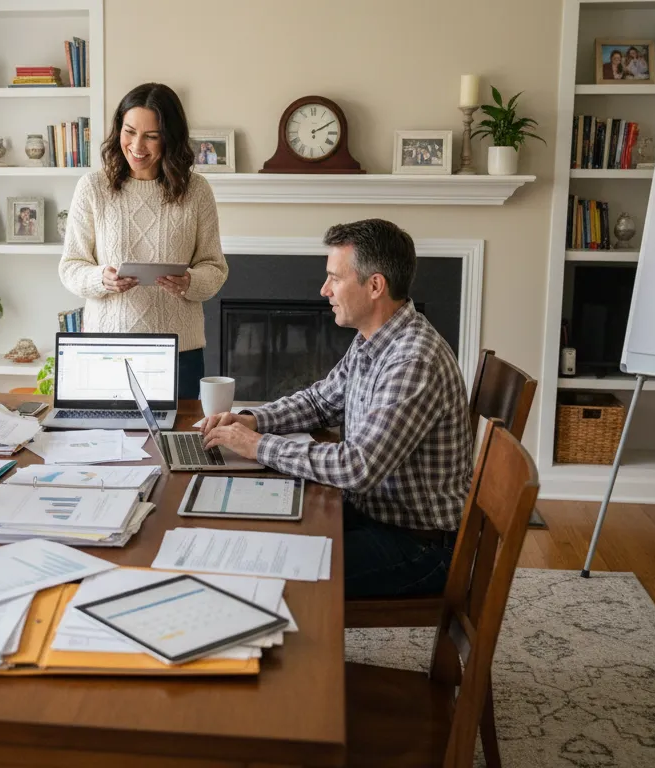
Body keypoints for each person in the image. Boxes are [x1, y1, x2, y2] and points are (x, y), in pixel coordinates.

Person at [200, 219, 473, 599]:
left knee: (272, 568)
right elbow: (319, 401)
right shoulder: (373, 339)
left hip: (418, 546)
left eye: (335, 278)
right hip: (373, 516)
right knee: (258, 533)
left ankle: (300, 657)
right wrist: (251, 420)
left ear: (375, 286)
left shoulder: (413, 361)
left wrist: (257, 445)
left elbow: (357, 466)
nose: (324, 289)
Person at [59, 82, 228, 399]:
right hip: (106, 351)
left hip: (180, 352)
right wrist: (101, 279)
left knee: (176, 443)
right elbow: (71, 266)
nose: (137, 145)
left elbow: (215, 268)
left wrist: (189, 281)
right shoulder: (93, 187)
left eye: (151, 136)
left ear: (170, 137)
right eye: (129, 131)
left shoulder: (196, 191)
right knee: (108, 445)